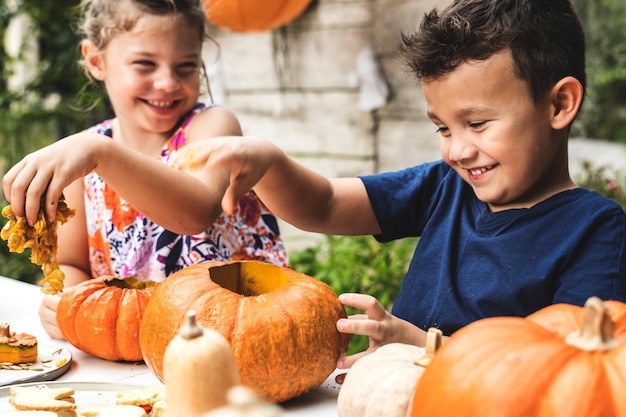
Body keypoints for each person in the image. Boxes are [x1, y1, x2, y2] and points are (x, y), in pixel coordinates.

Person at [175, 0, 626, 368]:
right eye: (443, 129)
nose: (457, 150)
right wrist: (268, 162)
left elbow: (573, 370)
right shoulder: (446, 186)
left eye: (477, 123)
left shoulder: (596, 230)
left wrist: (423, 346)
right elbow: (327, 205)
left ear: (560, 103)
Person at [2, 0, 288, 340]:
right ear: (96, 60)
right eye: (145, 64)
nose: (168, 83)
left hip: (242, 336)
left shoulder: (212, 127)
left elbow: (196, 212)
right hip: (139, 352)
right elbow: (72, 264)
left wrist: (100, 153)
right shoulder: (87, 157)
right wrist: (64, 301)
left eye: (186, 66)